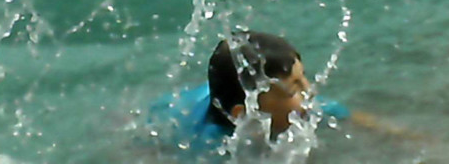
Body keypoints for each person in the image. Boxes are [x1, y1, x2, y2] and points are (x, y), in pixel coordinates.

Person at [148, 30, 355, 153]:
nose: (309, 92)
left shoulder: (306, 106)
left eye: (303, 79)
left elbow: (348, 117)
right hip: (172, 116)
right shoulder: (209, 150)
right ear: (246, 114)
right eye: (294, 89)